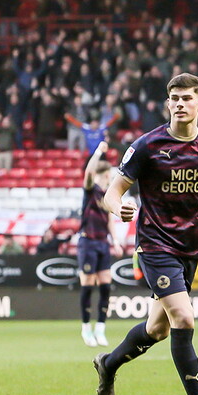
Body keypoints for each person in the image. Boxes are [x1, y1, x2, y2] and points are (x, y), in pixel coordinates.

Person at [93, 72, 198, 395]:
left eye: (187, 98)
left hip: (191, 248)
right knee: (185, 318)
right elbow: (111, 192)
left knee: (157, 329)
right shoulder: (147, 145)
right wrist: (120, 209)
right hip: (155, 244)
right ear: (168, 103)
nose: (180, 104)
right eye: (174, 98)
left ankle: (109, 364)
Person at [77, 141, 124, 348]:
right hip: (87, 242)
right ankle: (86, 327)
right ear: (103, 175)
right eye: (108, 175)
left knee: (105, 286)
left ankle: (100, 328)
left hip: (102, 243)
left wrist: (115, 241)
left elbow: (109, 220)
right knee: (87, 285)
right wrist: (98, 152)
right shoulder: (90, 190)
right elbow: (88, 172)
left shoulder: (107, 198)